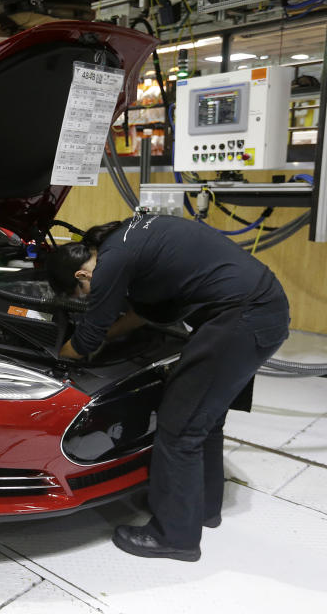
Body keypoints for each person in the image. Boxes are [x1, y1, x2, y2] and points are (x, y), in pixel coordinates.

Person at [47, 213, 290, 562]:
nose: (91, 295)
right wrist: (108, 335)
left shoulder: (111, 262)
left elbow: (85, 339)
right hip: (258, 310)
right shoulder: (125, 241)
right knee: (204, 420)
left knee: (179, 428)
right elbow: (147, 313)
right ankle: (200, 508)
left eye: (83, 293)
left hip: (240, 319)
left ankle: (174, 535)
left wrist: (60, 355)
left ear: (82, 275)